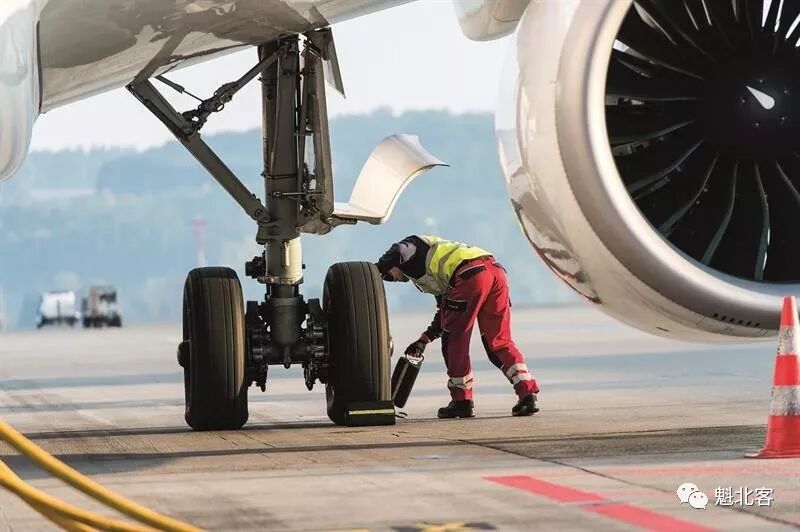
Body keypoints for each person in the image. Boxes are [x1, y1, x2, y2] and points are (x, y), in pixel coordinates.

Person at [376, 235, 539, 418]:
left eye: (389, 276)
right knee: (498, 341)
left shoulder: (413, 246)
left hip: (469, 276)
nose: (393, 280)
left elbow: (399, 250)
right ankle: (527, 394)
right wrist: (424, 340)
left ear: (393, 264)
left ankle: (462, 401)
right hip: (495, 272)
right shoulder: (435, 270)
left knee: (454, 341)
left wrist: (375, 269)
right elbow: (444, 314)